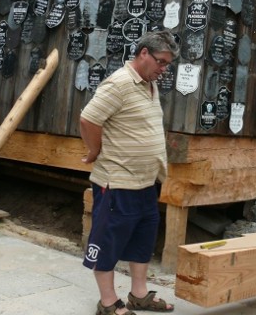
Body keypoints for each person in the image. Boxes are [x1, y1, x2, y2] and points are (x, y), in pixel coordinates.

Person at [80, 30, 179, 315]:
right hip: (117, 182)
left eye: (167, 65)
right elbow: (88, 119)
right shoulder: (119, 83)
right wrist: (95, 151)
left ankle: (139, 295)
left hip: (146, 182)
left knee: (142, 241)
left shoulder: (148, 83)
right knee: (108, 242)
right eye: (160, 62)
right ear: (143, 53)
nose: (163, 69)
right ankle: (108, 302)